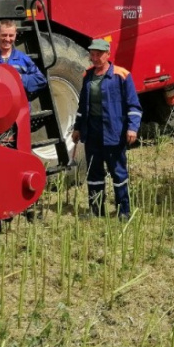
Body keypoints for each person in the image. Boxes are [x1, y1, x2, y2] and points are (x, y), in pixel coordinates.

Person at [72, 38, 142, 220]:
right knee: (94, 174)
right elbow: (82, 107)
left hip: (114, 133)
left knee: (118, 173)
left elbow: (133, 106)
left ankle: (123, 211)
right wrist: (77, 128)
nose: (94, 58)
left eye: (98, 54)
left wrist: (132, 128)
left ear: (108, 55)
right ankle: (95, 211)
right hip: (92, 133)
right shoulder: (87, 75)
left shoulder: (121, 75)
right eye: (92, 54)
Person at [0, 20, 47, 98]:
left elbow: (41, 80)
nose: (7, 39)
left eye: (11, 35)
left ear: (15, 35)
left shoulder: (23, 58)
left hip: (19, 108)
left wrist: (20, 78)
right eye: (4, 35)